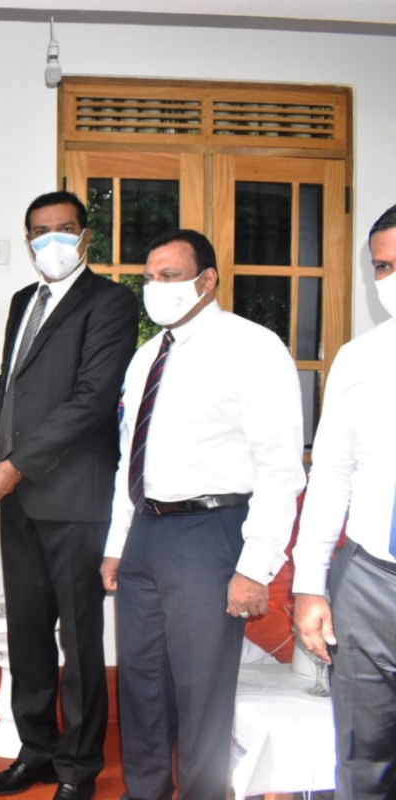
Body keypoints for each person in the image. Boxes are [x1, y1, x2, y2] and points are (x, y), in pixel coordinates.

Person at [0, 191, 138, 800]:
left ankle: (79, 770)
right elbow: (13, 382)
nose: (51, 240)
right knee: (29, 634)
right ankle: (38, 751)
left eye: (64, 229)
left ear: (84, 237)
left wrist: (15, 466)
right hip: (20, 498)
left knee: (79, 643)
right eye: (39, 231)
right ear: (28, 241)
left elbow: (91, 398)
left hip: (74, 497)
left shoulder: (110, 302)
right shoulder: (24, 300)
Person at [100, 229, 306, 800]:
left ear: (207, 280)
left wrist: (255, 567)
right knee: (140, 685)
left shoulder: (253, 347)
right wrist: (117, 543)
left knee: (201, 692)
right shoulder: (147, 357)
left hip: (211, 534)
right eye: (149, 277)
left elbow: (280, 469)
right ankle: (144, 792)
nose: (155, 287)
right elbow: (129, 459)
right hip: (146, 534)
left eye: (169, 275)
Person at [292, 203, 396, 800]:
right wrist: (311, 584)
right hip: (369, 581)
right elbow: (331, 474)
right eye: (382, 268)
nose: (389, 281)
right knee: (362, 759)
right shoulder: (360, 358)